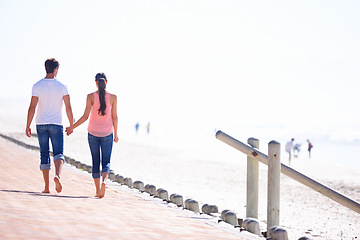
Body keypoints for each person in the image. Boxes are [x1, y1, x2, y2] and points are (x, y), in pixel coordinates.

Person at [66, 73, 118, 198]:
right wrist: (116, 134)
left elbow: (85, 117)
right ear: (106, 82)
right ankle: (104, 182)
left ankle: (97, 190)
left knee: (95, 161)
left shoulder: (90, 96)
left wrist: (72, 127)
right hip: (107, 134)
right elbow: (115, 117)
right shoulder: (113, 97)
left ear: (95, 82)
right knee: (106, 162)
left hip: (93, 134)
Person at [26, 58, 74, 194]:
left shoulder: (37, 85)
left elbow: (32, 107)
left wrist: (28, 125)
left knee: (44, 154)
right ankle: (57, 176)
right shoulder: (62, 85)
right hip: (56, 123)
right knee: (58, 153)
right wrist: (71, 125)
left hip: (41, 123)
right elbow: (68, 107)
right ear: (56, 69)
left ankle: (46, 187)